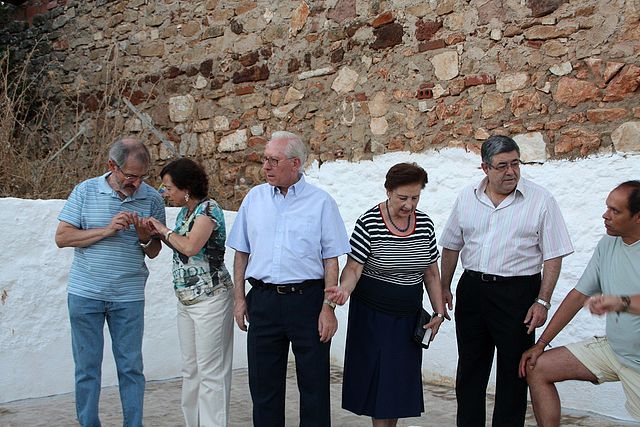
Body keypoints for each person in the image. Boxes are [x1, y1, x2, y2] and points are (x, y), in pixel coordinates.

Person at [439, 135, 574, 426]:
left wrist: (543, 301)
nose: (510, 172)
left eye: (515, 164)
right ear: (485, 168)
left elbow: (554, 255)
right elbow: (451, 244)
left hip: (518, 294)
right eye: (502, 166)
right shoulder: (466, 197)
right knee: (471, 368)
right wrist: (444, 286)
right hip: (473, 290)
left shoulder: (541, 200)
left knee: (515, 373)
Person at [226, 131, 350, 427]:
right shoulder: (254, 199)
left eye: (273, 160)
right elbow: (241, 253)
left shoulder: (321, 202)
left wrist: (327, 309)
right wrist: (239, 299)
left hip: (307, 302)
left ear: (295, 163)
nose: (265, 166)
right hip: (264, 301)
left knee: (314, 385)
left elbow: (330, 259)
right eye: (264, 159)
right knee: (264, 386)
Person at [55, 137, 165, 427]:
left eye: (142, 177)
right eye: (130, 176)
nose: (136, 184)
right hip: (85, 294)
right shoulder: (85, 191)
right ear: (111, 166)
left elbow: (154, 251)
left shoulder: (152, 198)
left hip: (129, 296)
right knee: (87, 368)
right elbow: (62, 237)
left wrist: (144, 237)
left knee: (131, 368)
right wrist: (106, 230)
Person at [325, 162, 445, 427]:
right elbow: (354, 268)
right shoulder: (369, 222)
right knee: (380, 386)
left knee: (398, 386)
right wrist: (344, 290)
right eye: (403, 197)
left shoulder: (424, 224)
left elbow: (431, 272)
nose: (409, 205)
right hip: (374, 317)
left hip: (408, 315)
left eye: (415, 197)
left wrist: (438, 312)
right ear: (388, 191)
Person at [519, 180, 640, 425]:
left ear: (638, 217)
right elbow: (578, 295)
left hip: (637, 362)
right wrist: (541, 343)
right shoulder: (608, 244)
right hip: (613, 351)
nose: (605, 215)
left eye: (615, 211)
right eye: (607, 207)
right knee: (538, 367)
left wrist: (620, 302)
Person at [147, 158, 234, 427]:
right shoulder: (185, 212)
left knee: (211, 372)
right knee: (191, 369)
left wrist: (163, 230)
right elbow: (173, 244)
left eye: (168, 187)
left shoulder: (208, 210)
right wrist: (152, 233)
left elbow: (190, 247)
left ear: (186, 187)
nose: (165, 193)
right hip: (186, 301)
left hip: (212, 299)